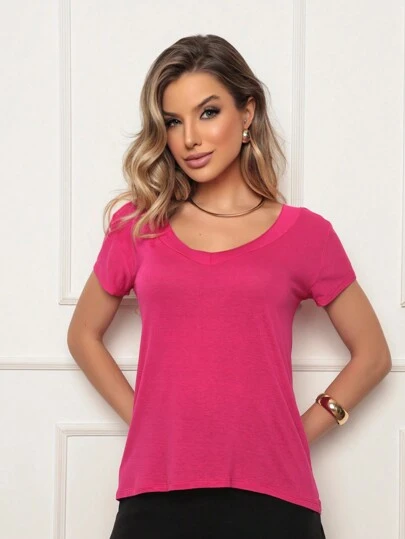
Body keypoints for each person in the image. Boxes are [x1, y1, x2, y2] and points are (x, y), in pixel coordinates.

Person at [67, 34, 392, 539]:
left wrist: (296, 433)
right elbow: (82, 335)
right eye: (173, 121)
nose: (190, 138)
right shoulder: (140, 225)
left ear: (247, 113)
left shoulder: (307, 234)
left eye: (208, 112)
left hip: (274, 499)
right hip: (156, 495)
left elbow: (373, 356)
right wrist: (149, 422)